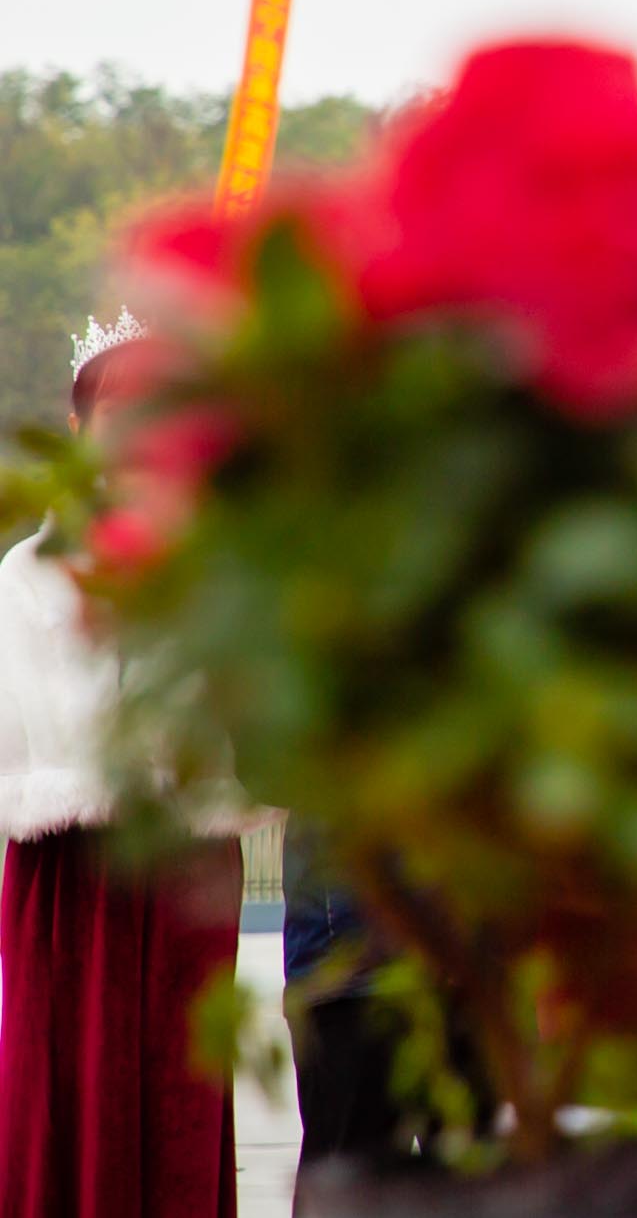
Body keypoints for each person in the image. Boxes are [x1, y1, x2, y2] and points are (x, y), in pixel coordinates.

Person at [0, 315, 240, 1218]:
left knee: (183, 1097)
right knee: (69, 1096)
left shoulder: (220, 571)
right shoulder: (26, 576)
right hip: (71, 874)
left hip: (189, 871)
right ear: (78, 429)